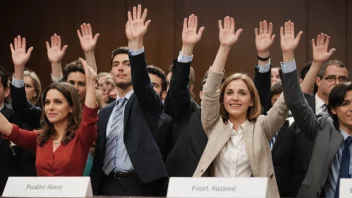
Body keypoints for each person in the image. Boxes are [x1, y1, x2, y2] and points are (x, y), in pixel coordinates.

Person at [193, 17, 292, 198]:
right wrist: (224, 47)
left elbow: (286, 100)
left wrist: (287, 54)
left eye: (242, 93)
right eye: (229, 93)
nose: (235, 98)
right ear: (222, 99)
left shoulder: (262, 126)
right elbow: (209, 92)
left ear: (252, 100)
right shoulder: (213, 124)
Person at [90, 5, 167, 196]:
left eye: (127, 64)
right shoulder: (105, 112)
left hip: (139, 185)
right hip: (106, 185)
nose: (121, 68)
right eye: (116, 65)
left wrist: (136, 43)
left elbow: (142, 82)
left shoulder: (145, 102)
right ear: (111, 72)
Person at [281, 30, 352, 197]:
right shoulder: (321, 130)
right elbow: (296, 102)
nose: (351, 109)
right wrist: (288, 54)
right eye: (345, 104)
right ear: (333, 109)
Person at [0, 57, 98, 176]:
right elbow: (10, 130)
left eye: (58, 102)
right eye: (47, 102)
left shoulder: (81, 137)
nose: (50, 107)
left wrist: (91, 83)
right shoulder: (40, 137)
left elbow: (89, 115)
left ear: (71, 107)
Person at [162, 14, 208, 177]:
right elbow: (177, 88)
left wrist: (187, 49)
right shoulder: (179, 110)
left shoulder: (189, 111)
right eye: (168, 84)